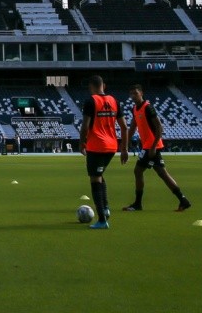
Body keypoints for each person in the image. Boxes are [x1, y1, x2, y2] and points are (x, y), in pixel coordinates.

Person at [123, 84, 191, 212]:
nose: (133, 96)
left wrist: (153, 146)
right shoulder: (135, 109)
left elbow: (159, 128)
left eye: (135, 93)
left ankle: (138, 204)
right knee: (162, 174)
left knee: (138, 171)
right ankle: (183, 200)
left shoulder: (148, 108)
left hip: (152, 146)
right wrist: (125, 143)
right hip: (149, 146)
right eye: (131, 94)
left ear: (141, 93)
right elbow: (133, 127)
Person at [79, 75, 128, 229]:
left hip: (96, 146)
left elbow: (85, 126)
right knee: (99, 176)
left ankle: (101, 219)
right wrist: (125, 149)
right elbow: (125, 127)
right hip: (111, 147)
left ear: (90, 87)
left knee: (95, 179)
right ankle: (105, 209)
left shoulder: (91, 101)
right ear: (103, 86)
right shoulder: (114, 101)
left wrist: (82, 143)